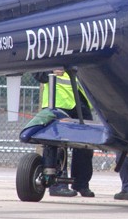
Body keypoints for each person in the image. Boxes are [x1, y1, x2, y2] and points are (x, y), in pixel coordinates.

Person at [34, 70, 95, 198]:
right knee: (56, 144)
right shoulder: (50, 56)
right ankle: (57, 184)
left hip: (79, 102)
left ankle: (81, 184)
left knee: (86, 144)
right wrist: (51, 71)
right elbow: (37, 72)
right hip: (57, 102)